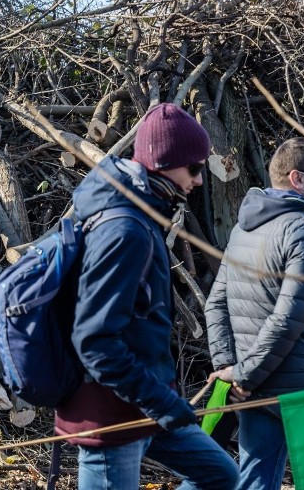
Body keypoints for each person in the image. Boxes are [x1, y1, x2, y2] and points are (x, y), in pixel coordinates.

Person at [54, 103, 239, 489]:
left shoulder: (143, 214)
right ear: (162, 163)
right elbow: (95, 340)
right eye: (194, 167)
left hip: (147, 404)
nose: (200, 179)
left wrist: (162, 400)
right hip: (112, 415)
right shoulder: (124, 229)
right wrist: (162, 402)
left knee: (220, 475)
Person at [205, 137, 304, 490]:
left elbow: (215, 303)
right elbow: (288, 319)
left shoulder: (243, 228)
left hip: (253, 387)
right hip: (301, 391)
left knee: (256, 479)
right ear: (298, 178)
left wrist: (231, 371)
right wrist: (242, 375)